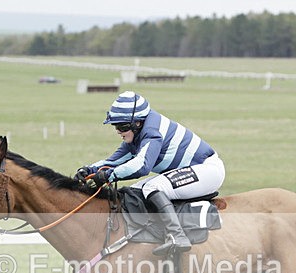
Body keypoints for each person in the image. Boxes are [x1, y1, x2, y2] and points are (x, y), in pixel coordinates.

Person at [75, 91, 225, 256]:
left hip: (207, 170)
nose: (118, 131)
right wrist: (89, 170)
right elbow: (113, 160)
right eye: (115, 126)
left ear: (137, 123)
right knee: (135, 190)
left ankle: (177, 236)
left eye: (122, 126)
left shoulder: (152, 132)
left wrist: (109, 175)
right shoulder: (137, 134)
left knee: (152, 187)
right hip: (190, 171)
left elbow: (142, 166)